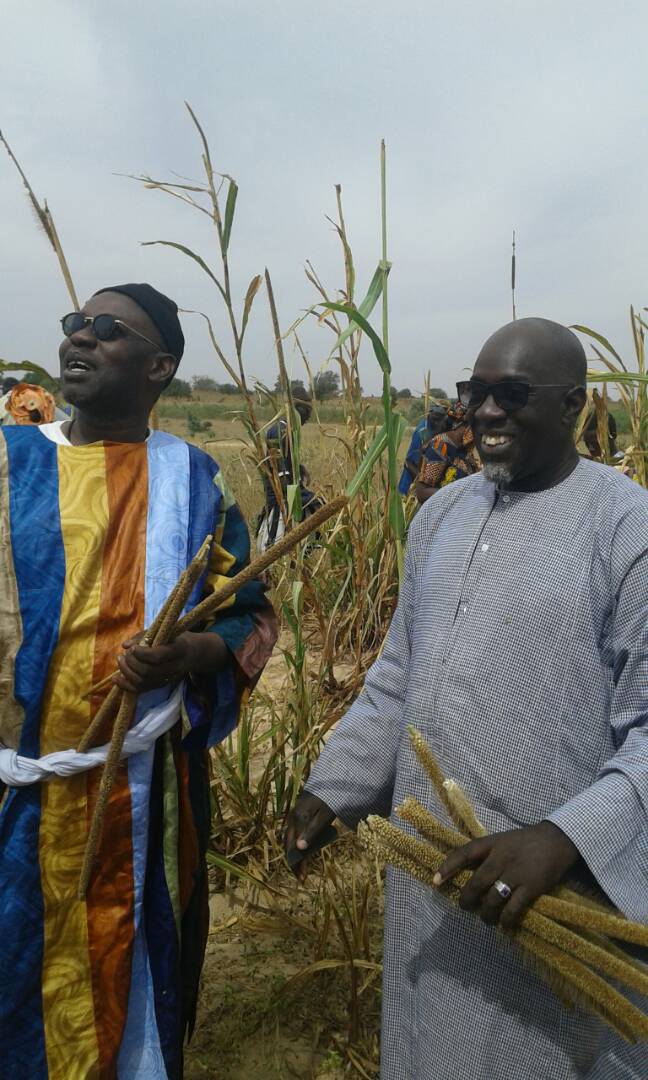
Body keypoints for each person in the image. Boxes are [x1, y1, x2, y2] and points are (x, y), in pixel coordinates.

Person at [285, 317, 648, 1079]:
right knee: (430, 1040)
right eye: (474, 392)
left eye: (511, 394)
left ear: (573, 405)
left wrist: (563, 838)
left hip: (550, 891)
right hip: (431, 872)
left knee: (541, 1051)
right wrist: (335, 785)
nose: (485, 411)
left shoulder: (626, 529)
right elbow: (397, 673)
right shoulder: (441, 517)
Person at [0, 283, 277, 1079]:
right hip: (15, 790)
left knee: (128, 971)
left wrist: (189, 655)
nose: (79, 338)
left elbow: (251, 616)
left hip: (141, 790)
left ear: (159, 367)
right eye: (74, 324)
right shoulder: (9, 460)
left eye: (106, 329)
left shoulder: (191, 479)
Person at [256, 391, 321, 552]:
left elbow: (286, 460)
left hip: (290, 490)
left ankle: (305, 551)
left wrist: (300, 468)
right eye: (308, 410)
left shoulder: (289, 430)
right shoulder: (280, 430)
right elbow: (279, 469)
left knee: (318, 506)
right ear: (296, 409)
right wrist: (290, 497)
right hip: (282, 493)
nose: (309, 416)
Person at [414, 399, 480, 504]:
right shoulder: (439, 446)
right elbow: (422, 492)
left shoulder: (465, 451)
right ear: (462, 425)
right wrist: (459, 495)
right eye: (477, 426)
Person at [397, 402, 450, 495]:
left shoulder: (442, 428)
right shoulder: (422, 433)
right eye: (434, 419)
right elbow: (408, 463)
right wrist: (424, 482)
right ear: (429, 417)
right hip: (409, 487)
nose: (437, 423)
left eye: (439, 420)